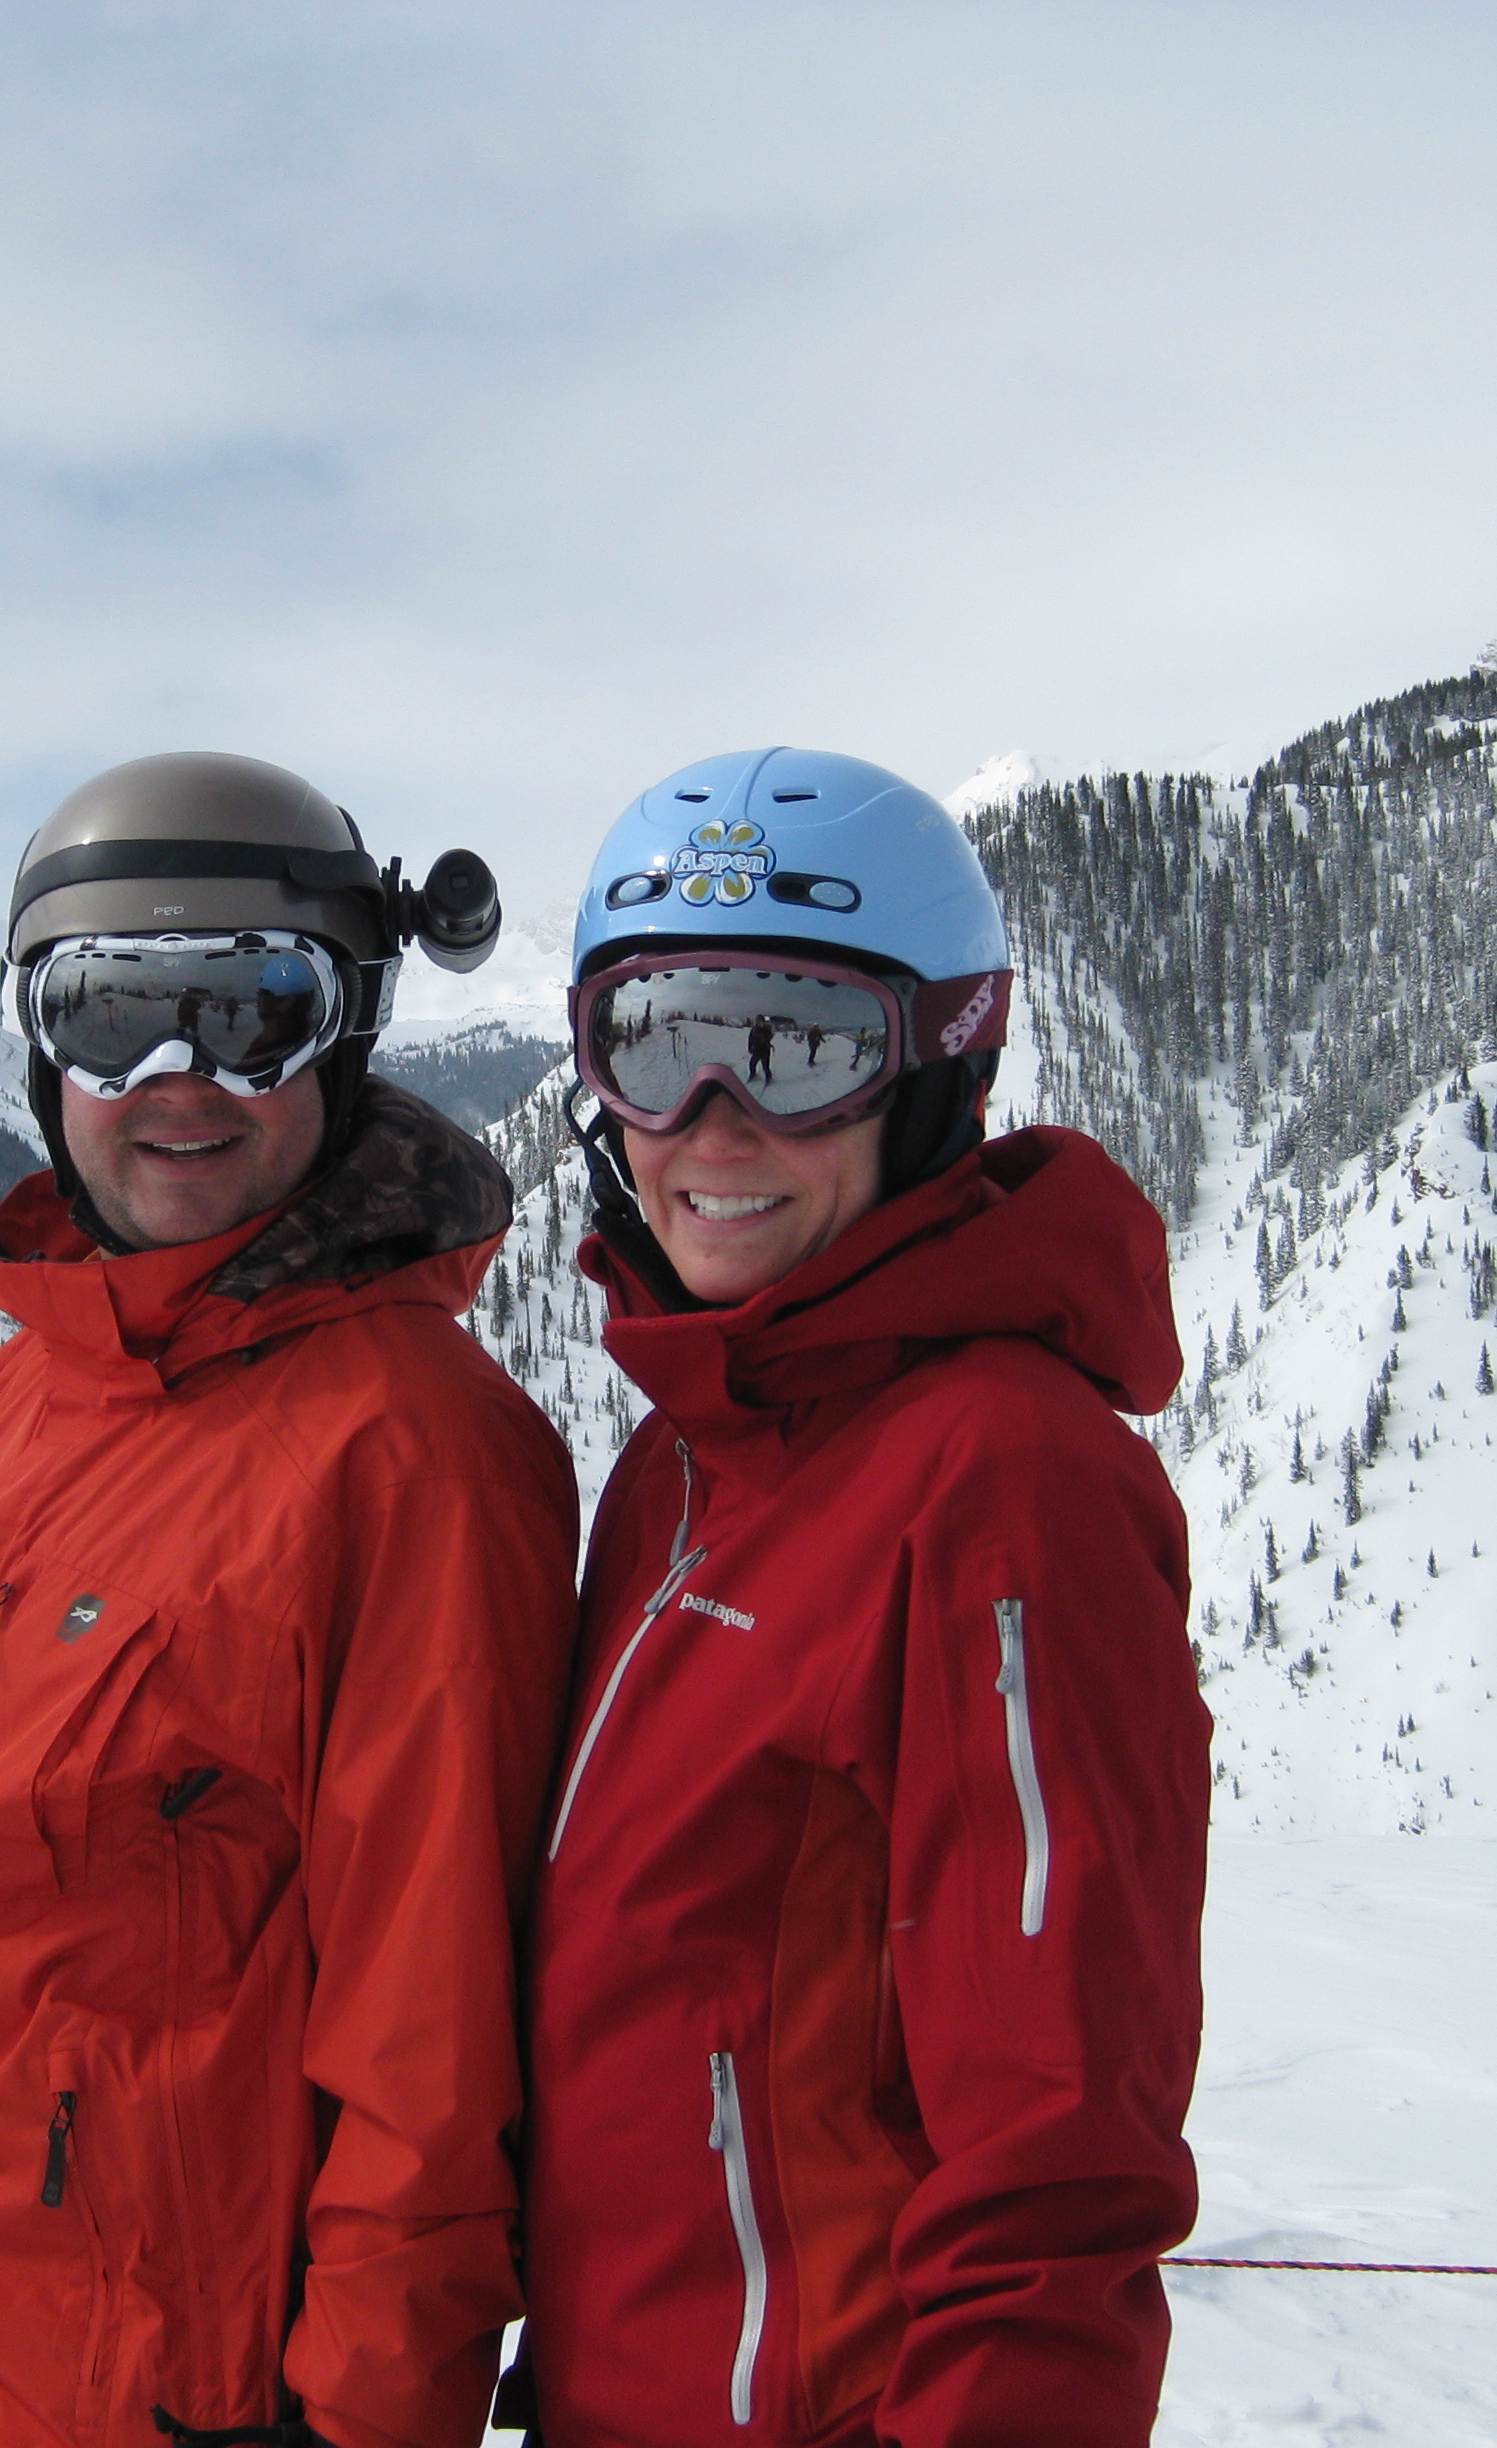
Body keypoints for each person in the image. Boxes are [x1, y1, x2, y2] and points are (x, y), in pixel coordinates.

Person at [0, 752, 581, 2448]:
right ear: (37, 1048)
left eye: (250, 1016)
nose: (177, 1083)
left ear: (349, 1032)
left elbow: (434, 2065)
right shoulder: (33, 1389)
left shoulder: (416, 1460)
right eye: (109, 1017)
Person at [509, 748, 1208, 2448]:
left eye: (799, 1049)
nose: (709, 1124)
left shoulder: (1003, 1486)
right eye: (651, 1044)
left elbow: (1055, 2167)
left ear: (937, 1073)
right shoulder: (687, 1454)